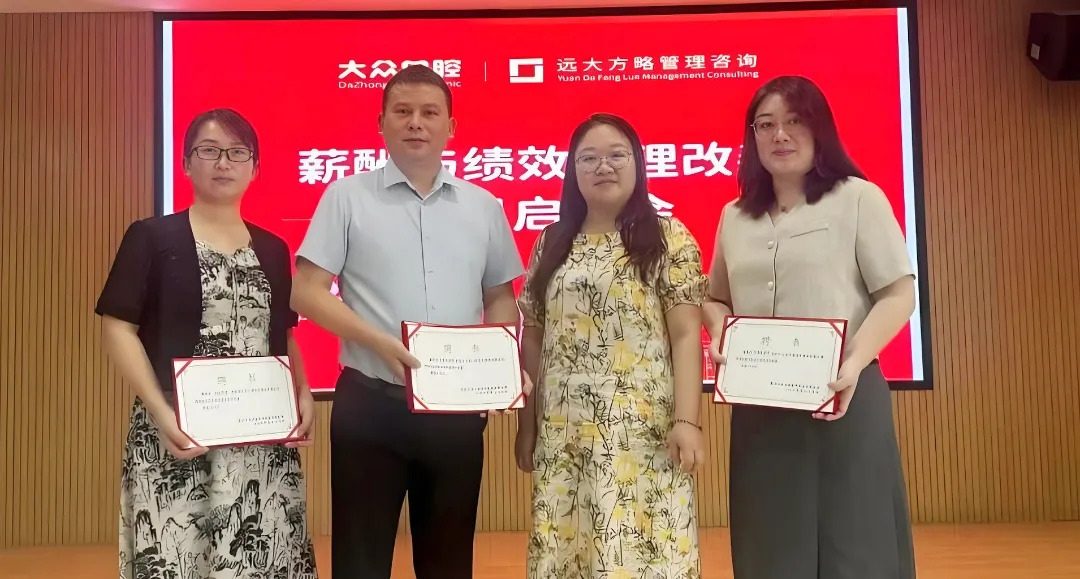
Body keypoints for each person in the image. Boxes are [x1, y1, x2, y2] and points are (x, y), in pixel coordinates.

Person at [290, 64, 527, 579]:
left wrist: (499, 368)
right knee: (360, 562)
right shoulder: (346, 196)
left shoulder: (484, 206)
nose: (415, 122)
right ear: (381, 123)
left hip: (455, 410)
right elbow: (305, 292)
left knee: (448, 562)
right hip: (369, 404)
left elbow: (499, 298)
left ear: (450, 126)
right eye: (402, 111)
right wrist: (379, 341)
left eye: (429, 112)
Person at [703, 75, 917, 578]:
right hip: (761, 407)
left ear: (819, 128)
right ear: (753, 138)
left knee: (856, 545)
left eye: (794, 121)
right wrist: (721, 335)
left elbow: (898, 293)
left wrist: (853, 362)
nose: (780, 135)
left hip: (843, 398)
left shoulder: (858, 198)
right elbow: (714, 297)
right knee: (769, 546)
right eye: (766, 125)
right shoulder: (734, 216)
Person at [95, 108, 318, 579]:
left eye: (237, 153)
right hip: (177, 432)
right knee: (178, 556)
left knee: (262, 553)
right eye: (209, 151)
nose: (223, 163)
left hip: (259, 438)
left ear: (255, 168)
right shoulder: (151, 237)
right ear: (185, 163)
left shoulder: (273, 248)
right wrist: (161, 413)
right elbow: (118, 327)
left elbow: (284, 332)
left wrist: (302, 392)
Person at [515, 113, 708, 579]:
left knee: (644, 554)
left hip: (643, 434)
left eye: (617, 155)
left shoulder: (668, 236)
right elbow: (533, 335)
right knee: (569, 553)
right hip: (564, 435)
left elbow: (686, 335)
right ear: (572, 170)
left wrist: (687, 421)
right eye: (589, 158)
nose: (603, 166)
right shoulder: (551, 242)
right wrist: (526, 425)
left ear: (638, 163)